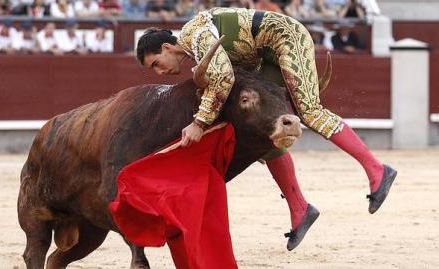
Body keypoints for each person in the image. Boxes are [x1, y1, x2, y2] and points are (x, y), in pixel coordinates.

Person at [136, 7, 397, 251]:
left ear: (167, 47)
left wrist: (199, 123)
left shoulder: (195, 34)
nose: (159, 72)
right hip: (263, 57)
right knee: (265, 130)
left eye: (156, 63)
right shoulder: (195, 52)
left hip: (286, 38)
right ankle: (300, 209)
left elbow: (223, 78)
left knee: (310, 111)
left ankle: (376, 169)